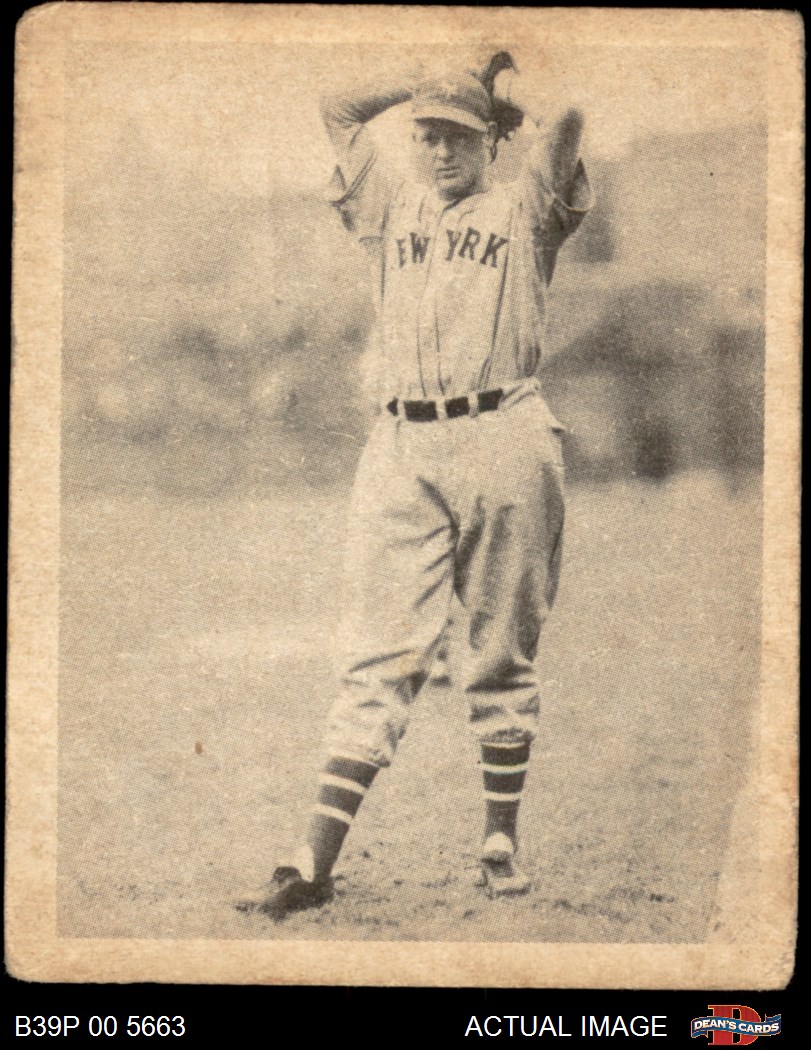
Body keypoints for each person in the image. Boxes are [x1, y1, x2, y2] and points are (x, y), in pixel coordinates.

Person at [239, 50, 592, 919]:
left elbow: (569, 117)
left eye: (457, 135)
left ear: (491, 141)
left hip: (504, 433)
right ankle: (311, 863)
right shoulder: (389, 207)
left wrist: (496, 96)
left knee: (499, 652)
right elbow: (336, 105)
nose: (438, 150)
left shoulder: (524, 208)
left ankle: (498, 842)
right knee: (377, 652)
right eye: (427, 135)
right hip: (400, 442)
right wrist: (424, 78)